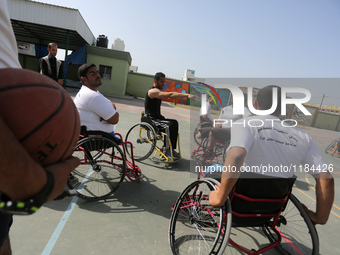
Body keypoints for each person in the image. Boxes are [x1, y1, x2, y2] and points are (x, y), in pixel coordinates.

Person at [0, 2, 79, 254]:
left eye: (57, 48)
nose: (55, 50)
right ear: (48, 48)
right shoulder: (44, 61)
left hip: (33, 107)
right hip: (22, 121)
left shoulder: (59, 63)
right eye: (53, 47)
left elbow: (58, 78)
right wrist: (34, 184)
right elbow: (44, 77)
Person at [209, 85, 334, 226]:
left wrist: (220, 197)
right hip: (272, 209)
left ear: (255, 105)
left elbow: (236, 157)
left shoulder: (245, 124)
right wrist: (320, 218)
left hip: (238, 205)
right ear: (285, 109)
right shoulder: (304, 137)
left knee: (210, 170)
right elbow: (326, 180)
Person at [145, 72, 196, 158]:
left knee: (174, 122)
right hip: (151, 119)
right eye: (161, 82)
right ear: (155, 81)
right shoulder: (152, 91)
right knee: (168, 125)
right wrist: (186, 95)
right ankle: (166, 150)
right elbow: (170, 95)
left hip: (157, 118)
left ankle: (171, 149)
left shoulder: (158, 91)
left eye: (164, 82)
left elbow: (171, 95)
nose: (163, 84)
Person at [74, 63, 119, 138]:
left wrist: (108, 111)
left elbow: (111, 103)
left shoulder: (91, 92)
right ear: (84, 79)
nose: (98, 75)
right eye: (93, 74)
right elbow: (115, 119)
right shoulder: (91, 95)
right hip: (96, 138)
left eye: (97, 72)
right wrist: (109, 112)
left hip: (91, 135)